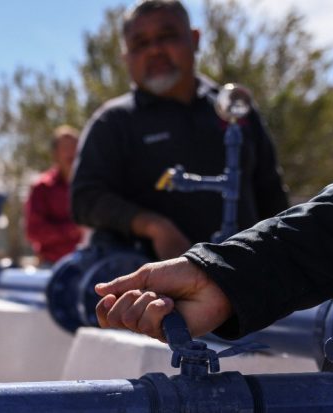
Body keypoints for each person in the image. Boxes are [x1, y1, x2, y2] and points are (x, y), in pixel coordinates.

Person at [70, 0, 289, 260]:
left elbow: (271, 195)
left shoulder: (234, 108)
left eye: (167, 36)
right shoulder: (112, 122)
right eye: (140, 44)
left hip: (245, 274)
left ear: (195, 39)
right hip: (153, 281)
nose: (155, 50)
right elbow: (84, 199)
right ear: (126, 57)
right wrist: (153, 226)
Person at [94, 156, 333, 341]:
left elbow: (270, 191)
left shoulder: (239, 114)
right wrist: (221, 277)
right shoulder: (115, 120)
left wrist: (223, 272)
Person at [25, 125, 88, 265]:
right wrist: (72, 229)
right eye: (65, 148)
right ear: (55, 154)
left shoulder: (91, 185)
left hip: (89, 264)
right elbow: (34, 231)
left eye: (75, 147)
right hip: (52, 265)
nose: (71, 153)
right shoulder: (42, 187)